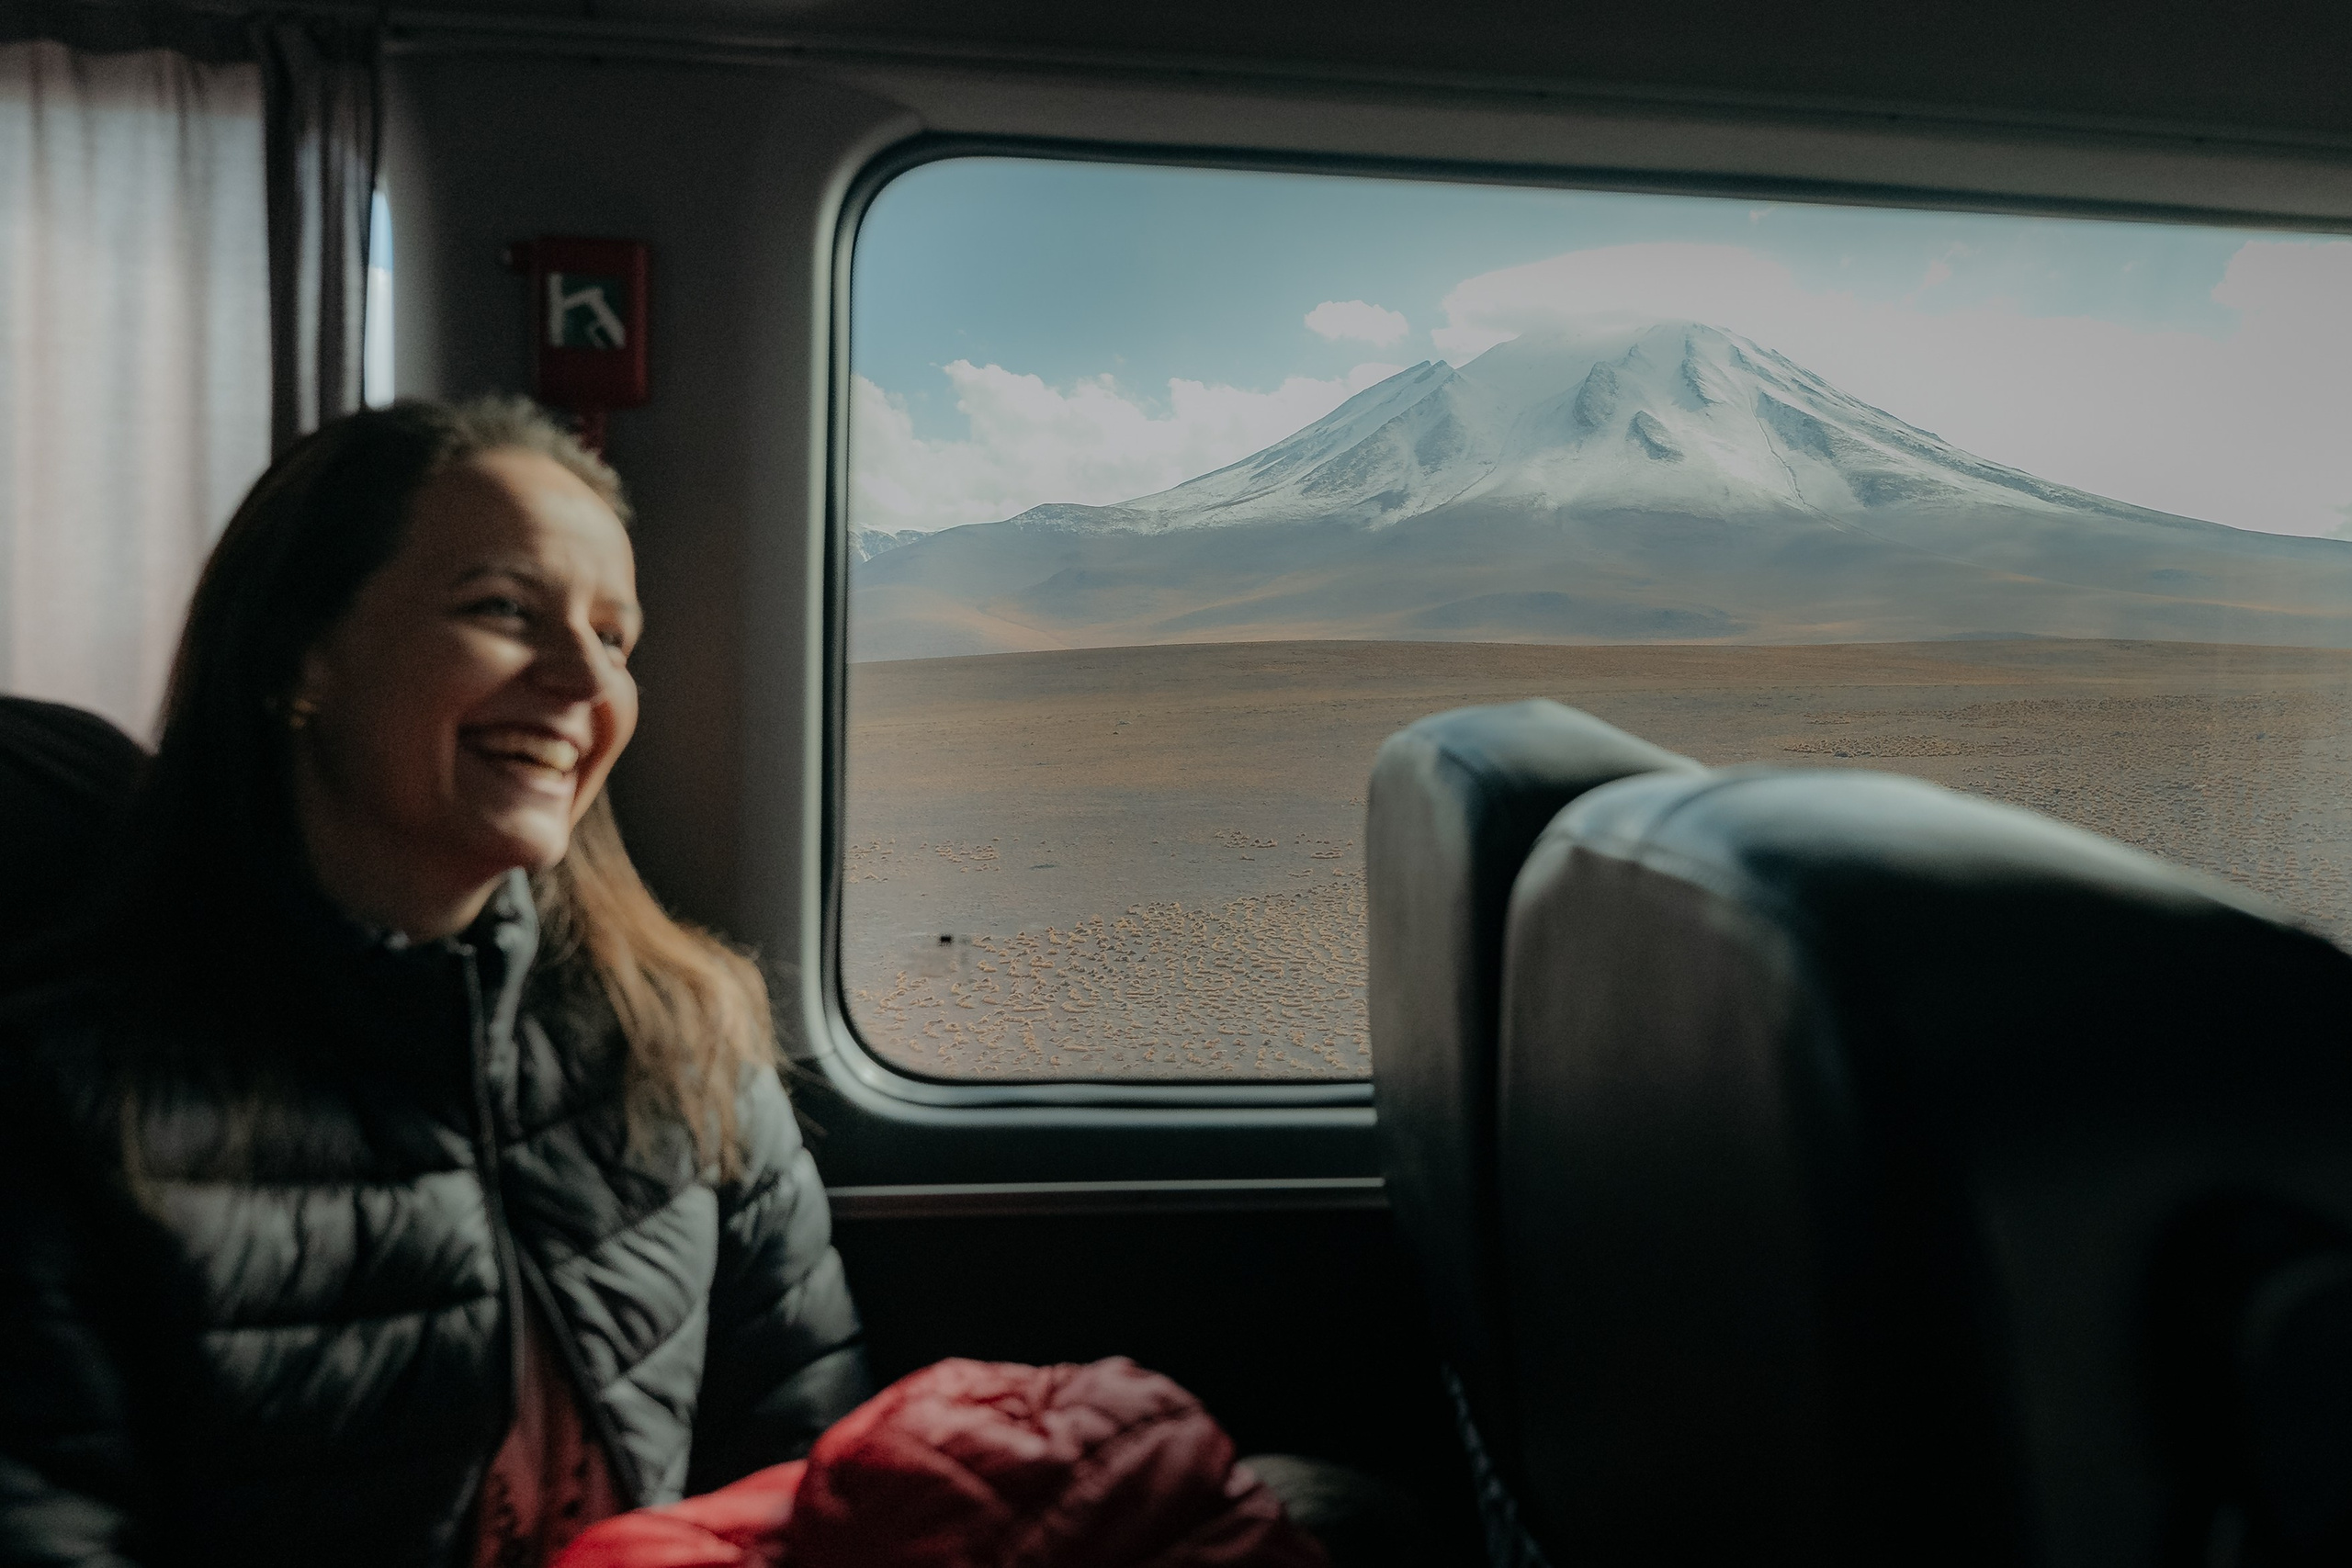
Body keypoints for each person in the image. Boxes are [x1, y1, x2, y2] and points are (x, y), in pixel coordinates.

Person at [0, 400, 870, 1568]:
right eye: (504, 610)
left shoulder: (682, 1032)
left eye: (615, 639)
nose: (584, 679)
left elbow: (809, 1480)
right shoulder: (61, 1106)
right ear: (299, 653)